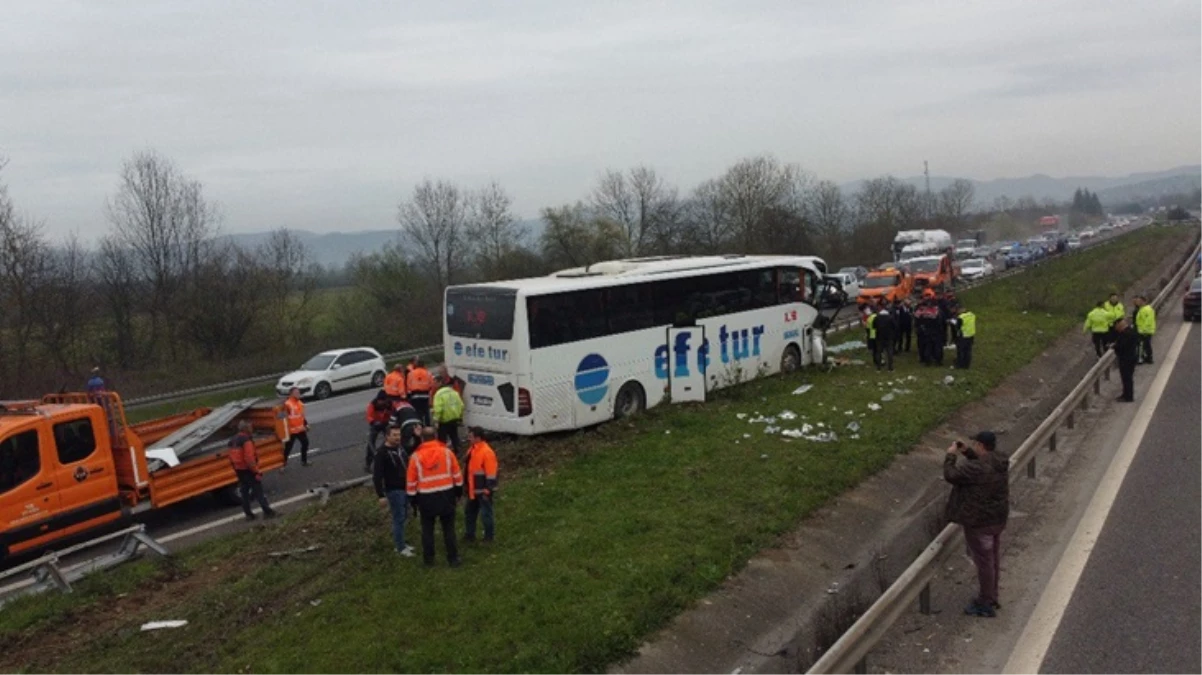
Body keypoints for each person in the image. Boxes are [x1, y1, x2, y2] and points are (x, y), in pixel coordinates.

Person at [944, 431, 1009, 618]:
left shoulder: (975, 469)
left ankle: (985, 601)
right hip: (997, 518)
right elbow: (982, 464)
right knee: (993, 559)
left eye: (974, 444)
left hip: (979, 523)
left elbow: (951, 475)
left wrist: (951, 455)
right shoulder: (1000, 460)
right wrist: (966, 452)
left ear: (981, 445)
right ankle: (992, 596)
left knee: (984, 562)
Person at [406, 427, 464, 567]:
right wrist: (458, 493)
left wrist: (413, 501)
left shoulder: (416, 457)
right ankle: (453, 558)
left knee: (427, 530)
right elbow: (457, 475)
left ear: (423, 438)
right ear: (436, 436)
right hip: (446, 494)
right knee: (448, 529)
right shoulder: (446, 452)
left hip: (426, 497)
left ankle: (429, 560)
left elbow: (411, 482)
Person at [373, 426, 417, 557]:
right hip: (394, 490)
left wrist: (417, 436)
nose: (397, 437)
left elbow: (414, 449)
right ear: (387, 436)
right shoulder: (382, 453)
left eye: (398, 435)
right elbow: (377, 475)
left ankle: (401, 542)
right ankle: (400, 547)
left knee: (404, 516)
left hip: (406, 487)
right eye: (394, 435)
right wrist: (380, 495)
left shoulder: (400, 448)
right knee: (398, 518)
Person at [228, 419, 277, 521]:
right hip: (248, 470)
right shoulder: (246, 441)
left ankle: (248, 514)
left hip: (239, 470)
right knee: (259, 491)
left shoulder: (233, 440)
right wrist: (256, 471)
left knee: (244, 493)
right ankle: (268, 512)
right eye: (250, 426)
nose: (252, 428)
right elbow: (249, 458)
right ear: (246, 429)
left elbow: (231, 457)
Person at [462, 426, 499, 543]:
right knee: (470, 512)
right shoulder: (473, 449)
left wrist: (488, 490)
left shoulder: (486, 452)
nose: (468, 439)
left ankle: (489, 537)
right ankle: (470, 535)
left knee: (486, 514)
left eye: (470, 436)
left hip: (482, 491)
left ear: (478, 438)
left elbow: (491, 474)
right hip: (473, 490)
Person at [433, 376, 466, 451]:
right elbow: (461, 405)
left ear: (439, 383)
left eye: (435, 383)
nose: (433, 385)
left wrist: (436, 420)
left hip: (444, 420)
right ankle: (457, 452)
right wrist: (460, 417)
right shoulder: (454, 392)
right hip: (454, 419)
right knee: (454, 436)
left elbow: (438, 409)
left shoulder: (439, 394)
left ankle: (442, 454)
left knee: (442, 440)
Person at [364, 390, 393, 472]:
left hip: (385, 423)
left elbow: (392, 414)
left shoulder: (389, 404)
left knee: (390, 440)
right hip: (375, 424)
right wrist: (374, 422)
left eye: (382, 400)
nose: (381, 402)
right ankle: (368, 463)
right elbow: (369, 416)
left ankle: (388, 459)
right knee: (370, 443)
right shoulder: (372, 404)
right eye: (380, 400)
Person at [282, 387, 311, 467]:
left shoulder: (300, 403)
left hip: (300, 429)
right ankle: (283, 464)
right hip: (292, 431)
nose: (298, 394)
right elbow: (283, 417)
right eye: (296, 393)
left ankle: (304, 461)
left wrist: (306, 424)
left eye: (299, 392)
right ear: (291, 394)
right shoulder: (287, 404)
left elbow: (301, 416)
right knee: (288, 448)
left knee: (305, 443)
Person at [1113, 318, 1139, 402]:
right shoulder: (1132, 331)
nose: (1116, 328)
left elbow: (1122, 346)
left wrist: (1114, 347)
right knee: (1127, 378)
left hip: (1126, 359)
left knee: (1126, 378)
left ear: (1119, 324)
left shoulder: (1125, 334)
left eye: (1116, 326)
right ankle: (1126, 394)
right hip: (1132, 357)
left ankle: (1128, 397)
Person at [406, 359, 434, 426]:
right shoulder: (428, 373)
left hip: (415, 395)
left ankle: (420, 426)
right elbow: (431, 385)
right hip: (425, 395)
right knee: (426, 412)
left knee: (418, 412)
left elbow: (408, 385)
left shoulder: (411, 373)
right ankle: (428, 426)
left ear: (416, 365)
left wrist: (409, 395)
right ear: (424, 365)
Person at [1134, 295, 1156, 364]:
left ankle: (1145, 358)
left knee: (1144, 345)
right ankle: (1147, 358)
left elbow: (1148, 321)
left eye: (1139, 301)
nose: (1137, 302)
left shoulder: (1147, 309)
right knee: (1145, 345)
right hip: (1142, 330)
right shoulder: (1142, 309)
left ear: (1143, 301)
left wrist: (1144, 330)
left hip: (1145, 331)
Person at [872, 307, 896, 371]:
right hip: (889, 337)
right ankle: (890, 368)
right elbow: (894, 327)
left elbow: (873, 326)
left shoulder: (876, 318)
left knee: (879, 352)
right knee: (890, 352)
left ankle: (878, 368)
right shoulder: (890, 318)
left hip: (879, 337)